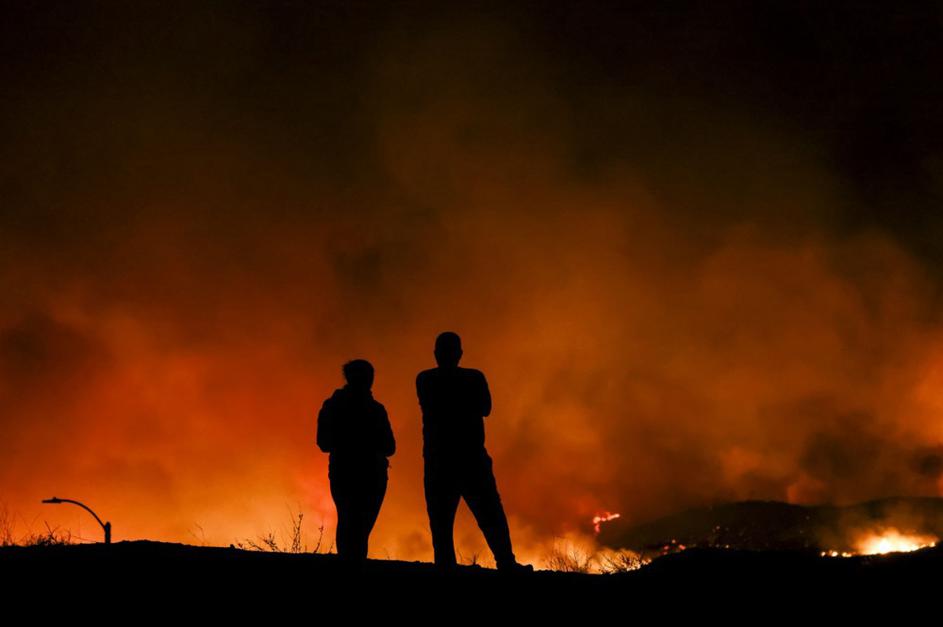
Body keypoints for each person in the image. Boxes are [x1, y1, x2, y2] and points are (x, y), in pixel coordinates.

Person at [416, 331, 531, 572]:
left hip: (440, 460)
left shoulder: (426, 379)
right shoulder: (473, 378)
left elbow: (437, 408)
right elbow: (485, 408)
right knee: (490, 514)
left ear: (436, 354)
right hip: (470, 458)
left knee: (441, 520)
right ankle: (506, 563)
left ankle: (446, 567)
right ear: (460, 354)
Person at [317, 359, 395, 561]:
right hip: (372, 475)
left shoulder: (332, 406)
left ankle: (349, 564)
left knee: (348, 521)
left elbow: (323, 443)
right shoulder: (376, 410)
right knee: (360, 526)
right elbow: (390, 447)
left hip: (343, 472)